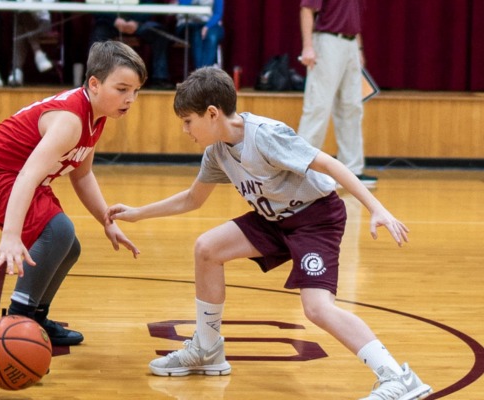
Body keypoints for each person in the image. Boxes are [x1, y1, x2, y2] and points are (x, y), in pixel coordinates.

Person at [105, 67, 433, 400]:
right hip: (274, 219)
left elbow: (331, 165)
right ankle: (207, 349)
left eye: (188, 121)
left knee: (317, 308)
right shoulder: (217, 152)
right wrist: (138, 213)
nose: (185, 129)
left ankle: (398, 377)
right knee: (207, 248)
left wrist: (377, 208)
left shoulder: (266, 135)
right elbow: (193, 199)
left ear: (213, 114)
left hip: (315, 219)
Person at [0, 41, 146, 346]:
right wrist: (11, 235)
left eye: (136, 91)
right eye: (123, 89)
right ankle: (17, 322)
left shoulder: (96, 114)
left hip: (17, 177)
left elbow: (83, 174)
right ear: (95, 84)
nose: (130, 99)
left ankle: (36, 317)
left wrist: (107, 220)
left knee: (68, 246)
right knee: (59, 230)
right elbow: (27, 175)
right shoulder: (70, 119)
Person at [297, 0, 377, 188]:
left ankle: (353, 170)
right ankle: (301, 167)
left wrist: (358, 48)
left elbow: (353, 20)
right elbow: (307, 9)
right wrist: (308, 46)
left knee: (352, 107)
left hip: (350, 43)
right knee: (318, 106)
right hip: (327, 41)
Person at [89, 0, 174, 90]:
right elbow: (93, 4)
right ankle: (97, 76)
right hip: (108, 22)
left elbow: (149, 4)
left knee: (159, 34)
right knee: (98, 37)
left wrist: (135, 22)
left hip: (138, 22)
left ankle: (160, 78)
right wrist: (114, 20)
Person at [7, 0, 55, 86]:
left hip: (43, 22)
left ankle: (17, 70)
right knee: (24, 14)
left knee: (21, 25)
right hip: (23, 18)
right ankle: (38, 52)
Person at [175, 0, 224, 69]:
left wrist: (207, 27)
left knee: (212, 36)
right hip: (192, 24)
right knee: (196, 37)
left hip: (212, 25)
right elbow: (183, 5)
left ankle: (206, 72)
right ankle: (201, 72)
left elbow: (218, 14)